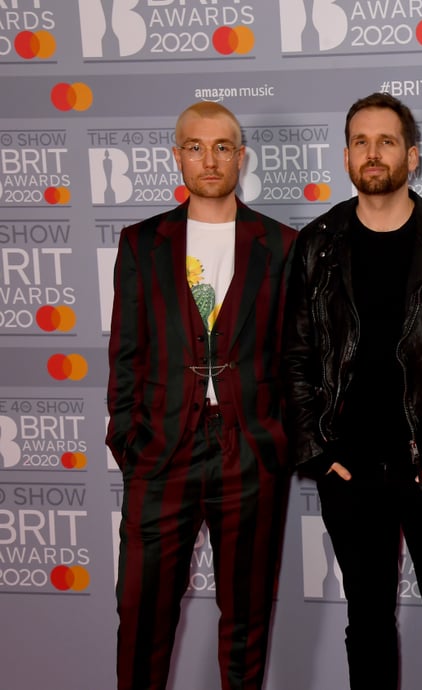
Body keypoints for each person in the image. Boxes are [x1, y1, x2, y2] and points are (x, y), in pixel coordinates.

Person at [282, 92, 422, 690]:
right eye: (360, 141)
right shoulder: (316, 245)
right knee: (366, 620)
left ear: (413, 155)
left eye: (387, 141)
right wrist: (321, 457)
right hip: (350, 473)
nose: (373, 154)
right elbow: (294, 356)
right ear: (346, 155)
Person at [106, 102, 296, 690]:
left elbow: (295, 357)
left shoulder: (282, 244)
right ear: (177, 156)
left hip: (251, 453)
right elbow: (126, 352)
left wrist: (279, 440)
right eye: (195, 146)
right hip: (161, 450)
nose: (209, 159)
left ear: (241, 157)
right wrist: (130, 441)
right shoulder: (142, 243)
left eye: (221, 147)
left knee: (247, 622)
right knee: (141, 615)